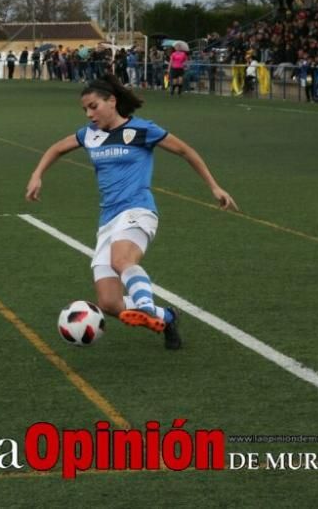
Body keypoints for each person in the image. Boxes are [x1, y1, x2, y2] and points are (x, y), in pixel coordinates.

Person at [25, 74, 238, 350]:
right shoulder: (89, 134)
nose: (89, 114)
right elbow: (56, 148)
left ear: (111, 101)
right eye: (85, 110)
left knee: (121, 259)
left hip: (138, 210)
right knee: (109, 303)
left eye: (93, 106)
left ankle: (146, 305)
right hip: (108, 220)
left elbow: (186, 151)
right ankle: (169, 317)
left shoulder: (141, 130)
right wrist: (37, 174)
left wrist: (215, 187)